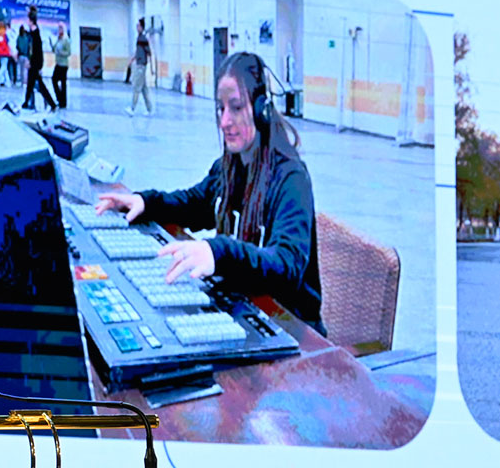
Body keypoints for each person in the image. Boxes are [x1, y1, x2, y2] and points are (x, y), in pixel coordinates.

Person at [95, 51, 323, 334]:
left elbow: (286, 266)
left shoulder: (291, 179)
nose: (225, 121)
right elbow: (193, 204)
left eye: (236, 107)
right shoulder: (229, 167)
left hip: (291, 329)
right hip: (247, 308)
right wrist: (146, 202)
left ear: (261, 110)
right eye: (220, 109)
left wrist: (220, 252)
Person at [21, 7, 57, 111]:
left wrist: (31, 62)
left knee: (38, 85)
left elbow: (36, 51)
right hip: (34, 63)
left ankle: (51, 104)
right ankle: (27, 102)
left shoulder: (35, 34)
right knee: (32, 84)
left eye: (28, 20)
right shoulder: (33, 33)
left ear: (31, 21)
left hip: (35, 63)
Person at [128, 18, 155, 114]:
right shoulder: (139, 38)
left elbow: (148, 52)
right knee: (144, 89)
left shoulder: (143, 39)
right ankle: (149, 109)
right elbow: (139, 51)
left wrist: (151, 67)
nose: (137, 27)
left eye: (138, 26)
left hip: (141, 65)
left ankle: (132, 108)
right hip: (140, 63)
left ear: (142, 27)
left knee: (137, 87)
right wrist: (133, 59)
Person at [51, 23, 73, 109]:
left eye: (61, 28)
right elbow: (54, 49)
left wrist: (61, 53)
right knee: (54, 80)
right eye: (58, 28)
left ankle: (63, 102)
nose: (59, 30)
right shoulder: (58, 39)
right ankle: (59, 98)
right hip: (58, 63)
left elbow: (69, 52)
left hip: (63, 64)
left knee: (63, 83)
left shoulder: (66, 40)